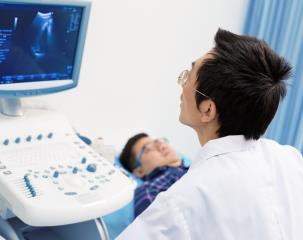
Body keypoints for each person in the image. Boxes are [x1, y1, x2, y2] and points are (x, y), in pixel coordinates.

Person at [117, 28, 303, 239]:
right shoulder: (291, 159)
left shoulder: (181, 202)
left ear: (207, 110)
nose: (182, 84)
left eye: (188, 76)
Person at [119, 133, 189, 218]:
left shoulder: (199, 164)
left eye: (158, 141)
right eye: (147, 148)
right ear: (139, 172)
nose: (161, 146)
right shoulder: (148, 191)